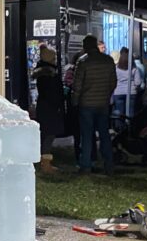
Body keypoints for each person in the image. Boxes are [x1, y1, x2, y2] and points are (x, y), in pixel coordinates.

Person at [72, 34, 116, 175]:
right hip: (103, 103)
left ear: (85, 46)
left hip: (86, 104)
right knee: (104, 134)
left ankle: (86, 165)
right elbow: (113, 82)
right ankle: (108, 164)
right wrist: (106, 95)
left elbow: (77, 85)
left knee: (86, 135)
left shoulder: (83, 62)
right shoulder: (108, 60)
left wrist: (75, 101)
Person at [32, 46, 65, 174]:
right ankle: (45, 163)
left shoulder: (42, 72)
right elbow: (54, 92)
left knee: (45, 134)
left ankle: (43, 160)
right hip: (50, 107)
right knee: (49, 134)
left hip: (44, 106)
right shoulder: (49, 73)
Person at [112, 47, 142, 120]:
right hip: (131, 92)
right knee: (131, 113)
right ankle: (129, 126)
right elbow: (138, 82)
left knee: (119, 114)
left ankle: (120, 126)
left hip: (118, 92)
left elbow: (113, 80)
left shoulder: (116, 68)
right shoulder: (134, 68)